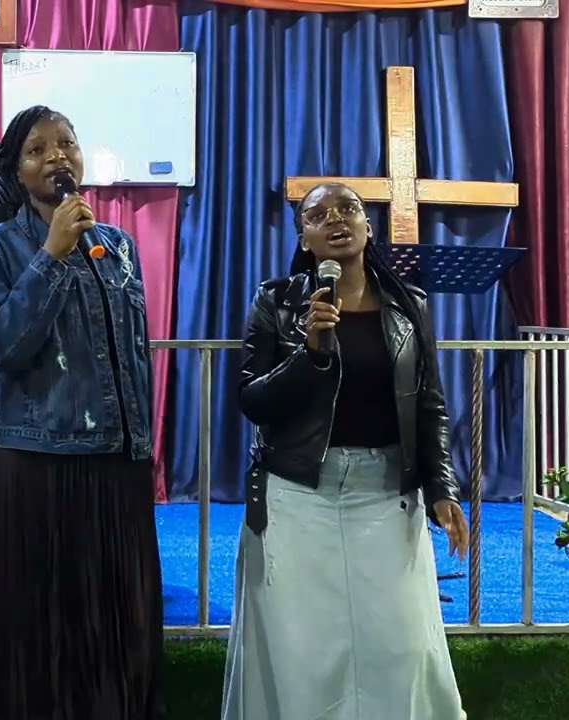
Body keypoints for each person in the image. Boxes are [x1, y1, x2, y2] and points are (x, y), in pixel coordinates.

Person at [221, 181, 469, 720]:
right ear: (304, 238)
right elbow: (252, 400)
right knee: (302, 657)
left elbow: (429, 402)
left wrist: (442, 486)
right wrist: (308, 355)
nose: (336, 220)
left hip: (386, 497)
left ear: (368, 226)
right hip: (296, 497)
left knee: (401, 647)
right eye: (318, 215)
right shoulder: (276, 302)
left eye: (349, 209)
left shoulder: (409, 305)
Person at [0, 105, 164, 720]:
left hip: (114, 465)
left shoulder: (118, 246)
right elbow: (3, 350)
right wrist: (50, 255)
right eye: (38, 150)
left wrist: (140, 445)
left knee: (114, 621)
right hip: (35, 463)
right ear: (16, 172)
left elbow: (131, 354)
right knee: (39, 623)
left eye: (67, 145)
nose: (57, 158)